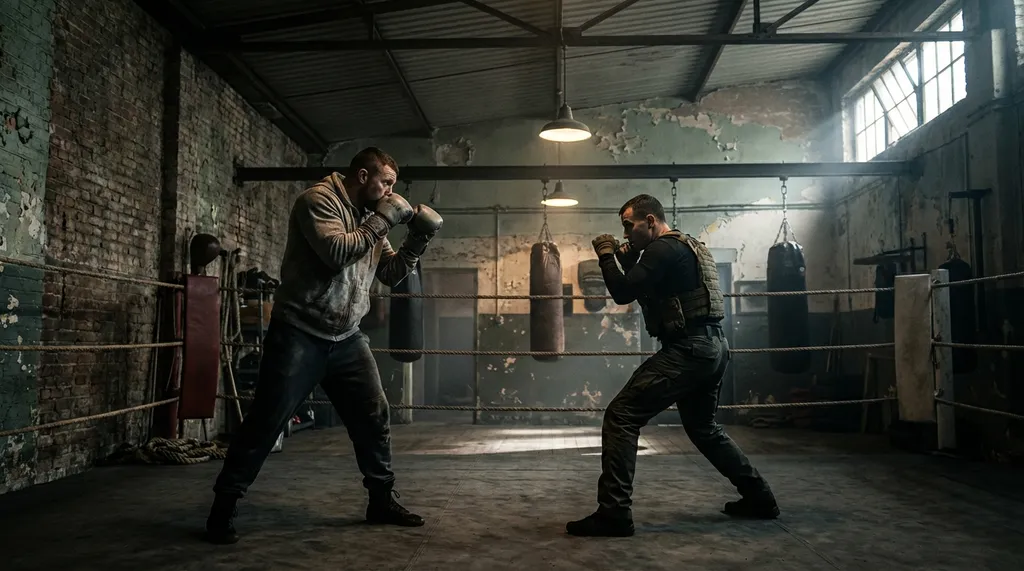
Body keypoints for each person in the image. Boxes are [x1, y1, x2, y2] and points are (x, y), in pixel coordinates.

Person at [204, 147, 443, 544]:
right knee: (266, 421)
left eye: (392, 187)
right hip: (299, 332)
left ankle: (381, 500)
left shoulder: (370, 217)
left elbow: (390, 274)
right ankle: (222, 507)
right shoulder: (318, 200)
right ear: (363, 176)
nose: (388, 192)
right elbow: (336, 254)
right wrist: (385, 218)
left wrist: (418, 240)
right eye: (385, 182)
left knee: (374, 414)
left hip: (347, 337)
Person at [566, 194, 779, 538]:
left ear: (650, 221)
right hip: (713, 347)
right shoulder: (686, 246)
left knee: (621, 415)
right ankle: (760, 498)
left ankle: (614, 513)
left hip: (690, 349)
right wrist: (630, 257)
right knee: (704, 429)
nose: (625, 234)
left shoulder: (662, 248)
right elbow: (645, 284)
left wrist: (606, 255)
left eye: (628, 226)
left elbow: (622, 293)